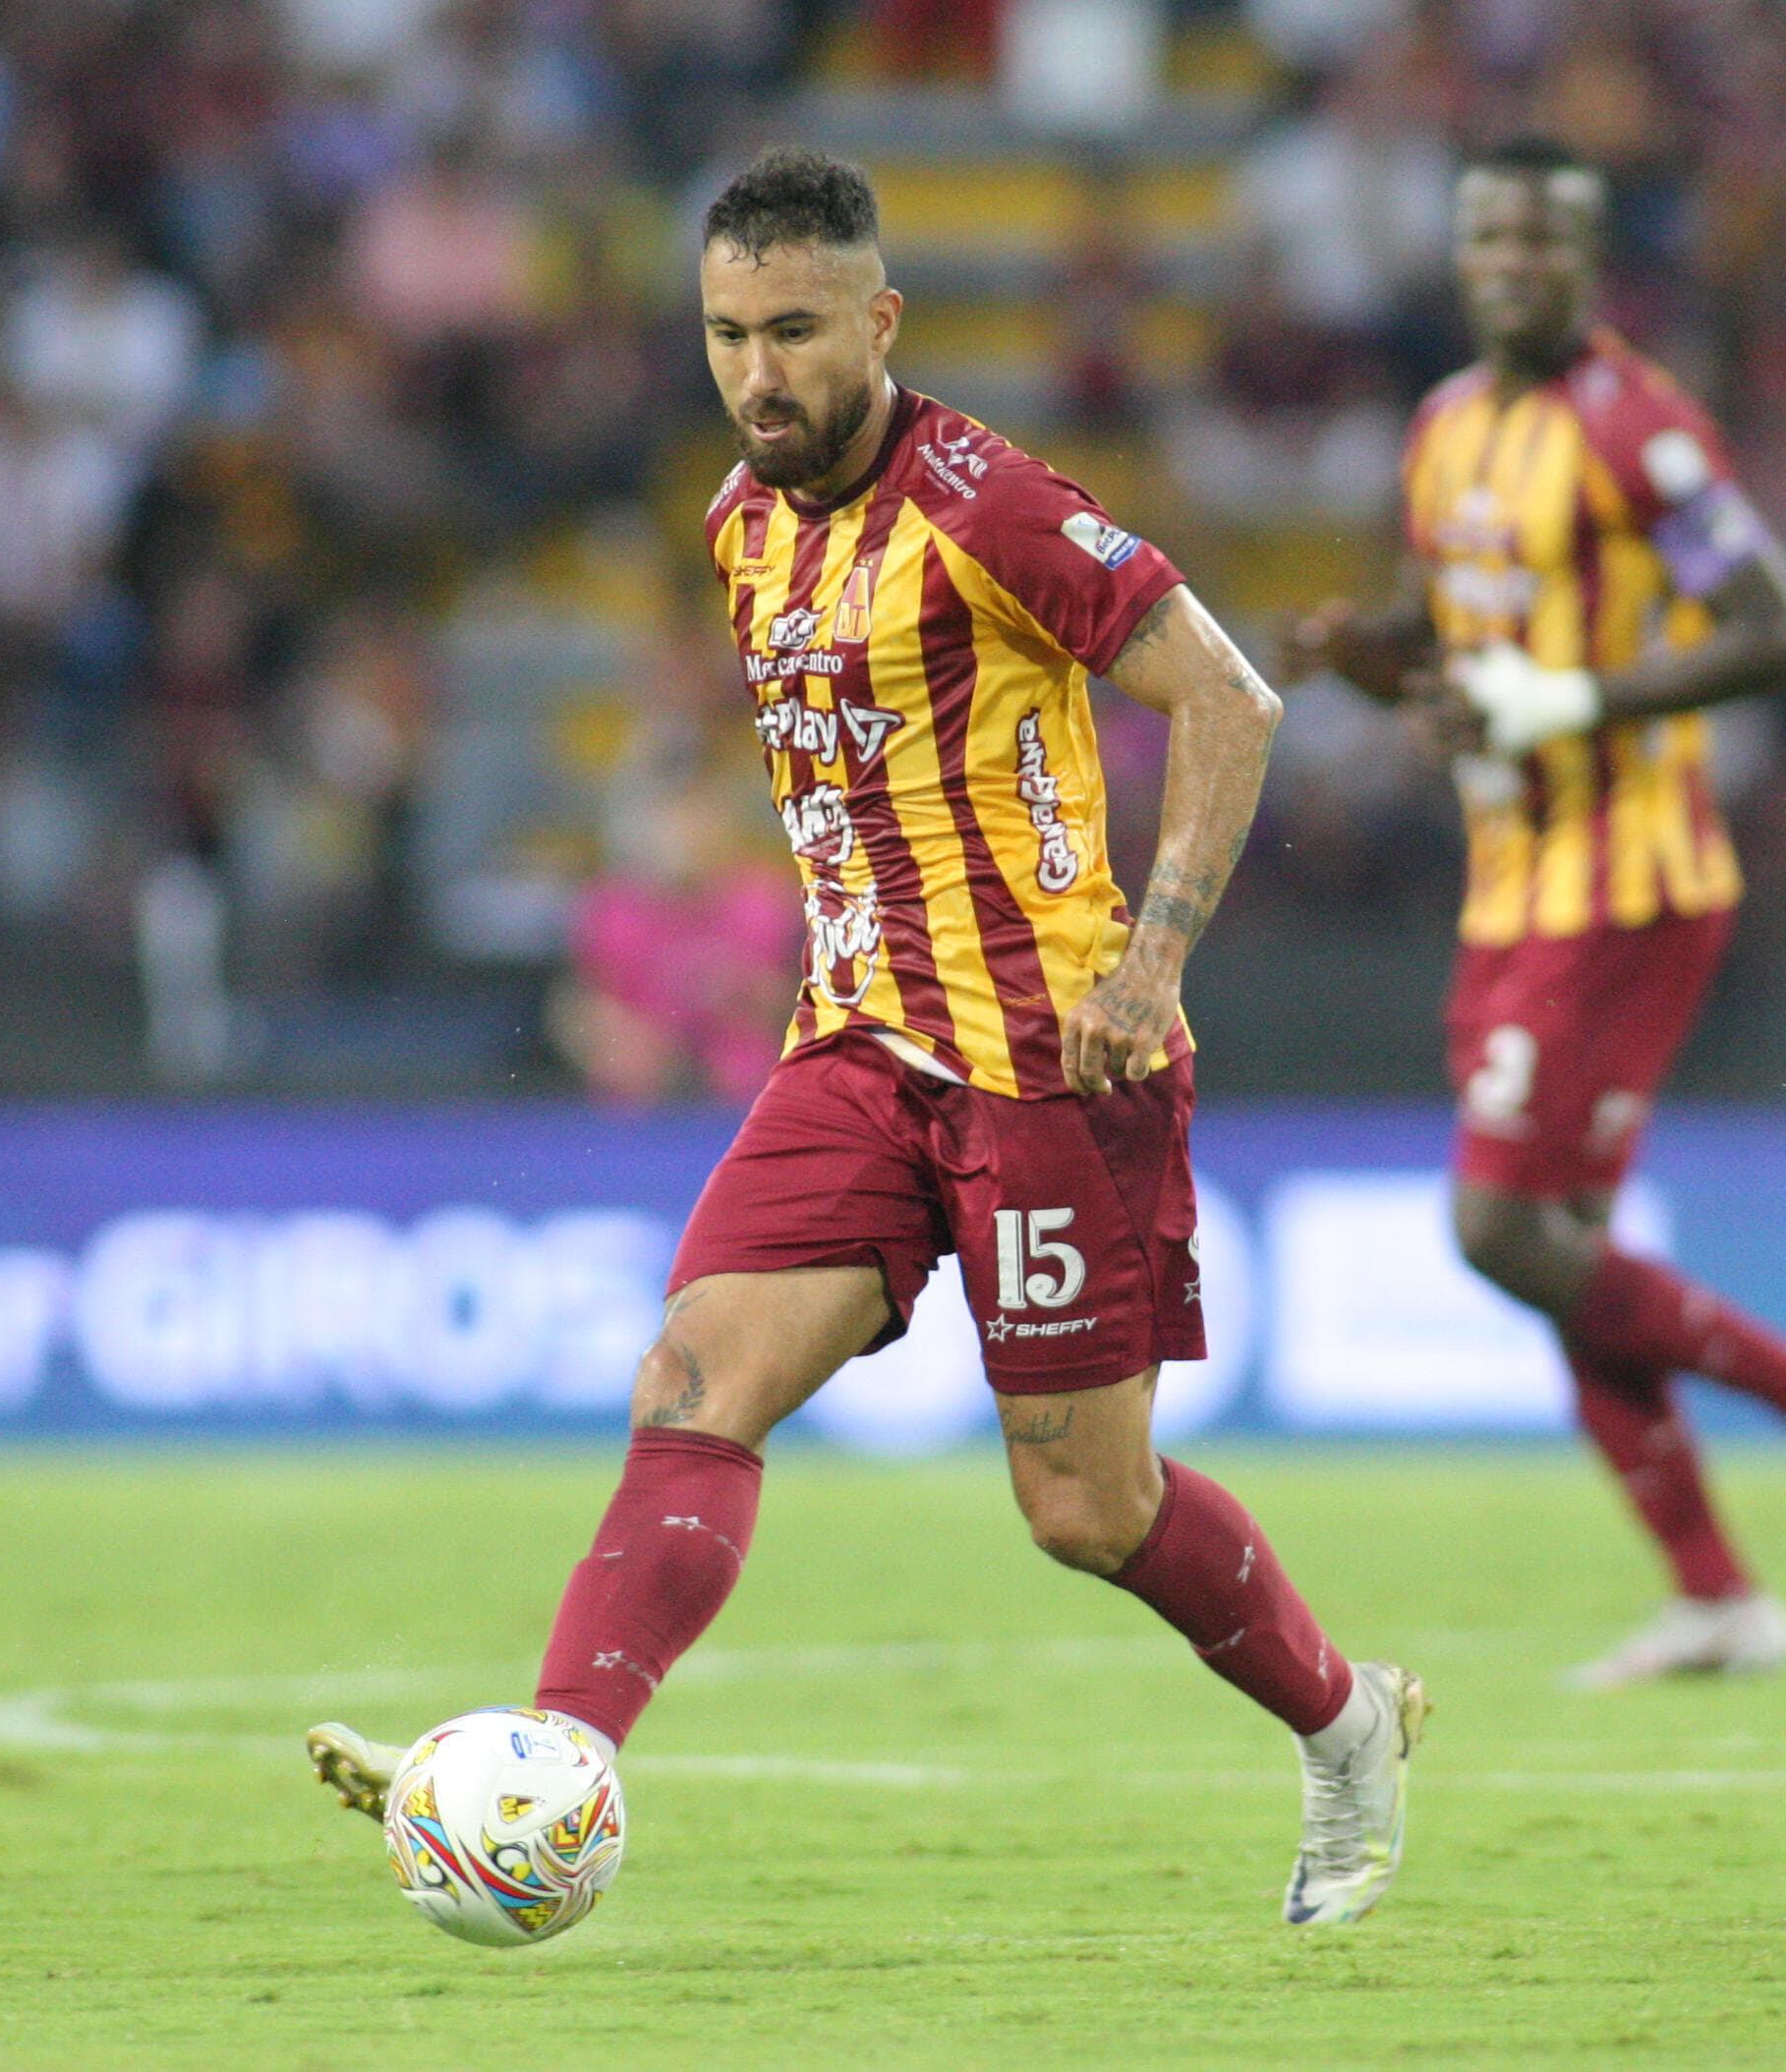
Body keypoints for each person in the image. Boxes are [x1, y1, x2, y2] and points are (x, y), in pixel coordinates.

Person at [308, 148, 1424, 1927]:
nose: (759, 373)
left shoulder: (995, 506)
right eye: (728, 335)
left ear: (881, 321)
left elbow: (1231, 697)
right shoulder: (738, 526)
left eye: (797, 331)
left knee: (1086, 1509)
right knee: (692, 1385)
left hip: (1052, 1067)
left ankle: (1348, 1723)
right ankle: (544, 1771)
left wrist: (1151, 963)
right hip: (852, 1051)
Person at [1296, 138, 1786, 1690]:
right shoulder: (1443, 426)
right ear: (1459, 253)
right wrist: (1370, 654)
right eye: (1490, 235)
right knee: (1554, 1250)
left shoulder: (1641, 430)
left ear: (1588, 261)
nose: (1513, 263)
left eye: (1543, 239)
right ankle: (1716, 1596)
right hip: (1506, 886)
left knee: (1502, 1228)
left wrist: (1575, 698)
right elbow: (1452, 637)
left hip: (1630, 882)